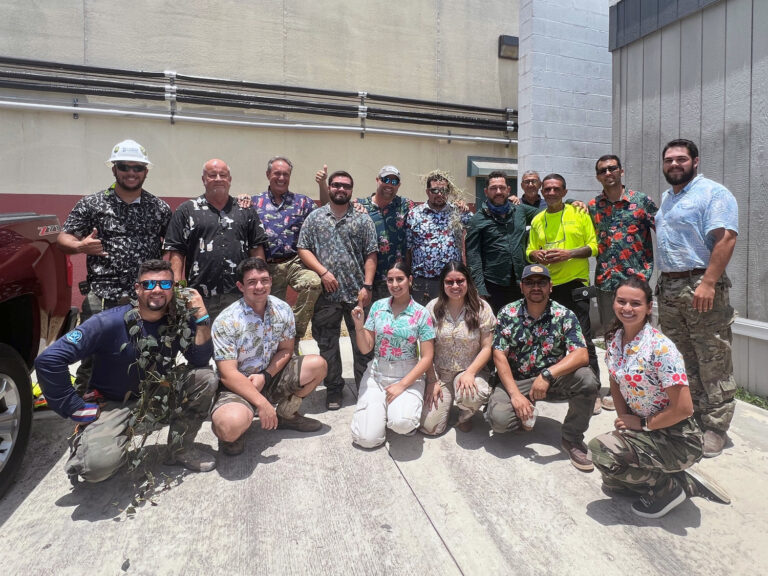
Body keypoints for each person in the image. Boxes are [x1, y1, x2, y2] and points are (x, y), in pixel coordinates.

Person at [35, 259, 218, 483]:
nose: (157, 290)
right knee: (96, 470)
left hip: (157, 395)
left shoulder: (176, 321)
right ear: (138, 288)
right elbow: (49, 360)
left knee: (205, 378)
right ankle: (85, 443)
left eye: (165, 285)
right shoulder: (108, 322)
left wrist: (201, 317)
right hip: (112, 404)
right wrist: (74, 407)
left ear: (173, 289)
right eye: (149, 284)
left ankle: (179, 450)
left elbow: (199, 359)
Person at [57, 139, 171, 393]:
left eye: (137, 168)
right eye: (125, 167)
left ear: (146, 172)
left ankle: (144, 402)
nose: (131, 173)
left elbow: (171, 247)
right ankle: (84, 406)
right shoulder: (93, 204)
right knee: (92, 353)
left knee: (147, 349)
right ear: (114, 170)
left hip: (144, 294)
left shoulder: (159, 208)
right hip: (103, 295)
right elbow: (63, 238)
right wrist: (80, 247)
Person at [588, 277, 703, 518]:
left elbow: (684, 409)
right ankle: (672, 474)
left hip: (678, 437)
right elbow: (616, 381)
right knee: (612, 480)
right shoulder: (614, 339)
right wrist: (624, 420)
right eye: (621, 301)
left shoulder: (661, 348)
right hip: (647, 430)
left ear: (649, 308)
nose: (627, 308)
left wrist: (641, 425)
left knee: (600, 451)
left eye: (635, 303)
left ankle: (669, 488)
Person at [655, 139, 739, 458]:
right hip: (670, 287)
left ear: (695, 161)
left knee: (713, 355)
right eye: (668, 160)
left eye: (680, 159)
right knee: (682, 357)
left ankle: (716, 427)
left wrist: (709, 282)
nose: (674, 164)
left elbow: (726, 237)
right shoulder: (667, 198)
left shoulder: (713, 193)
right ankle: (691, 415)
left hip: (700, 284)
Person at [209, 258, 327, 456]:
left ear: (271, 281)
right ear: (240, 286)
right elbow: (228, 374)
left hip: (271, 377)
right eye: (252, 282)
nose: (259, 286)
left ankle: (286, 415)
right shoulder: (226, 321)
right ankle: (236, 431)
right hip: (239, 385)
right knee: (228, 426)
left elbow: (286, 350)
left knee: (318, 365)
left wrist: (266, 375)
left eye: (264, 280)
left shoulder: (282, 310)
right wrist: (262, 404)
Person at [487, 264, 599, 471]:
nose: (535, 287)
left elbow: (582, 354)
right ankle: (523, 410)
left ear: (551, 287)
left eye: (541, 282)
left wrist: (547, 375)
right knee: (499, 422)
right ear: (521, 287)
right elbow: (498, 355)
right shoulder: (507, 313)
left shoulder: (564, 315)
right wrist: (515, 395)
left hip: (551, 381)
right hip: (517, 380)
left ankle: (572, 439)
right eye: (529, 282)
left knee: (587, 378)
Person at [297, 170, 378, 410]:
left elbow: (371, 253)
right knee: (328, 345)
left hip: (356, 295)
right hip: (326, 296)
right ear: (329, 187)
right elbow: (303, 248)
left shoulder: (363, 219)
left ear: (351, 190)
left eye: (346, 186)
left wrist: (367, 286)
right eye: (336, 185)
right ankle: (334, 390)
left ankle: (365, 388)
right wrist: (322, 272)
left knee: (363, 345)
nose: (340, 189)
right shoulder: (315, 217)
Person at [588, 154, 657, 413]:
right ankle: (616, 388)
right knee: (611, 339)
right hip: (607, 282)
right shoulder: (593, 206)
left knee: (639, 339)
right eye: (603, 170)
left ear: (621, 171)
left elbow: (664, 229)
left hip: (636, 282)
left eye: (612, 168)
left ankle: (640, 390)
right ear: (598, 176)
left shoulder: (641, 202)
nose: (608, 173)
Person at [164, 158, 267, 320]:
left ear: (230, 179)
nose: (218, 179)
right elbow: (177, 252)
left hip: (239, 293)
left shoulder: (245, 210)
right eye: (212, 175)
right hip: (199, 294)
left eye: (223, 175)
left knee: (239, 341)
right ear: (204, 180)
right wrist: (176, 291)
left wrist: (260, 284)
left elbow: (257, 249)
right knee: (201, 341)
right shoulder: (186, 211)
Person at [350, 262, 435, 448]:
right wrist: (359, 327)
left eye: (400, 279)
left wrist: (402, 385)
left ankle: (395, 412)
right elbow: (366, 348)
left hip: (407, 375)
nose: (395, 284)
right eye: (390, 280)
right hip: (377, 374)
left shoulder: (422, 313)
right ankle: (381, 412)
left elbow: (427, 357)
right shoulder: (378, 307)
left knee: (402, 424)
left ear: (410, 280)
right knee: (366, 439)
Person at [527, 174, 600, 383]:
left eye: (556, 189)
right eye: (547, 189)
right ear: (542, 192)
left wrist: (569, 254)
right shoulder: (537, 220)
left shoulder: (579, 213)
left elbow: (594, 247)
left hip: (576, 285)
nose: (551, 193)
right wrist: (535, 255)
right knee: (552, 337)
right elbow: (530, 249)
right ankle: (559, 383)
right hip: (549, 286)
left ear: (564, 192)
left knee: (583, 337)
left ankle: (592, 387)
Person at [251, 156, 322, 346]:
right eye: (277, 173)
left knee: (313, 283)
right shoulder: (253, 203)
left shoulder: (303, 203)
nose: (281, 177)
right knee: (271, 315)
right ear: (268, 175)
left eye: (286, 174)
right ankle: (278, 353)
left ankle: (295, 334)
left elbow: (324, 214)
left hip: (295, 262)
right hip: (268, 267)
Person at [420, 261, 495, 435]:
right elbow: (425, 349)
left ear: (468, 282)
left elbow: (486, 347)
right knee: (431, 428)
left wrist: (470, 373)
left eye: (460, 281)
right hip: (440, 374)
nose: (455, 286)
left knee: (472, 395)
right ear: (442, 284)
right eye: (449, 282)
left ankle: (465, 415)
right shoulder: (432, 308)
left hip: (469, 371)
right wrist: (432, 380)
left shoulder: (481, 308)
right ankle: (447, 400)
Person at [466, 171, 542, 314]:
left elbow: (548, 213)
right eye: (494, 188)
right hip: (493, 285)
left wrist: (570, 202)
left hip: (521, 282)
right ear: (486, 191)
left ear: (508, 189)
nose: (498, 192)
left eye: (502, 187)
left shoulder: (520, 210)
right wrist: (480, 289)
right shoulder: (478, 220)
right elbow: (473, 257)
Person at [406, 171, 473, 305]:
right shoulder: (415, 214)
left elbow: (478, 227)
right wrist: (409, 275)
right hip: (423, 281)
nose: (439, 194)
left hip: (452, 282)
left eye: (444, 190)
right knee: (423, 320)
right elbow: (408, 248)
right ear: (427, 191)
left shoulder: (458, 212)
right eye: (434, 190)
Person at [356, 166, 414, 301]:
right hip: (367, 279)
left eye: (394, 182)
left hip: (397, 279)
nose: (389, 184)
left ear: (399, 185)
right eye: (386, 179)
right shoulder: (360, 206)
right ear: (377, 180)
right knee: (369, 319)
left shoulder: (406, 205)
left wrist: (458, 204)